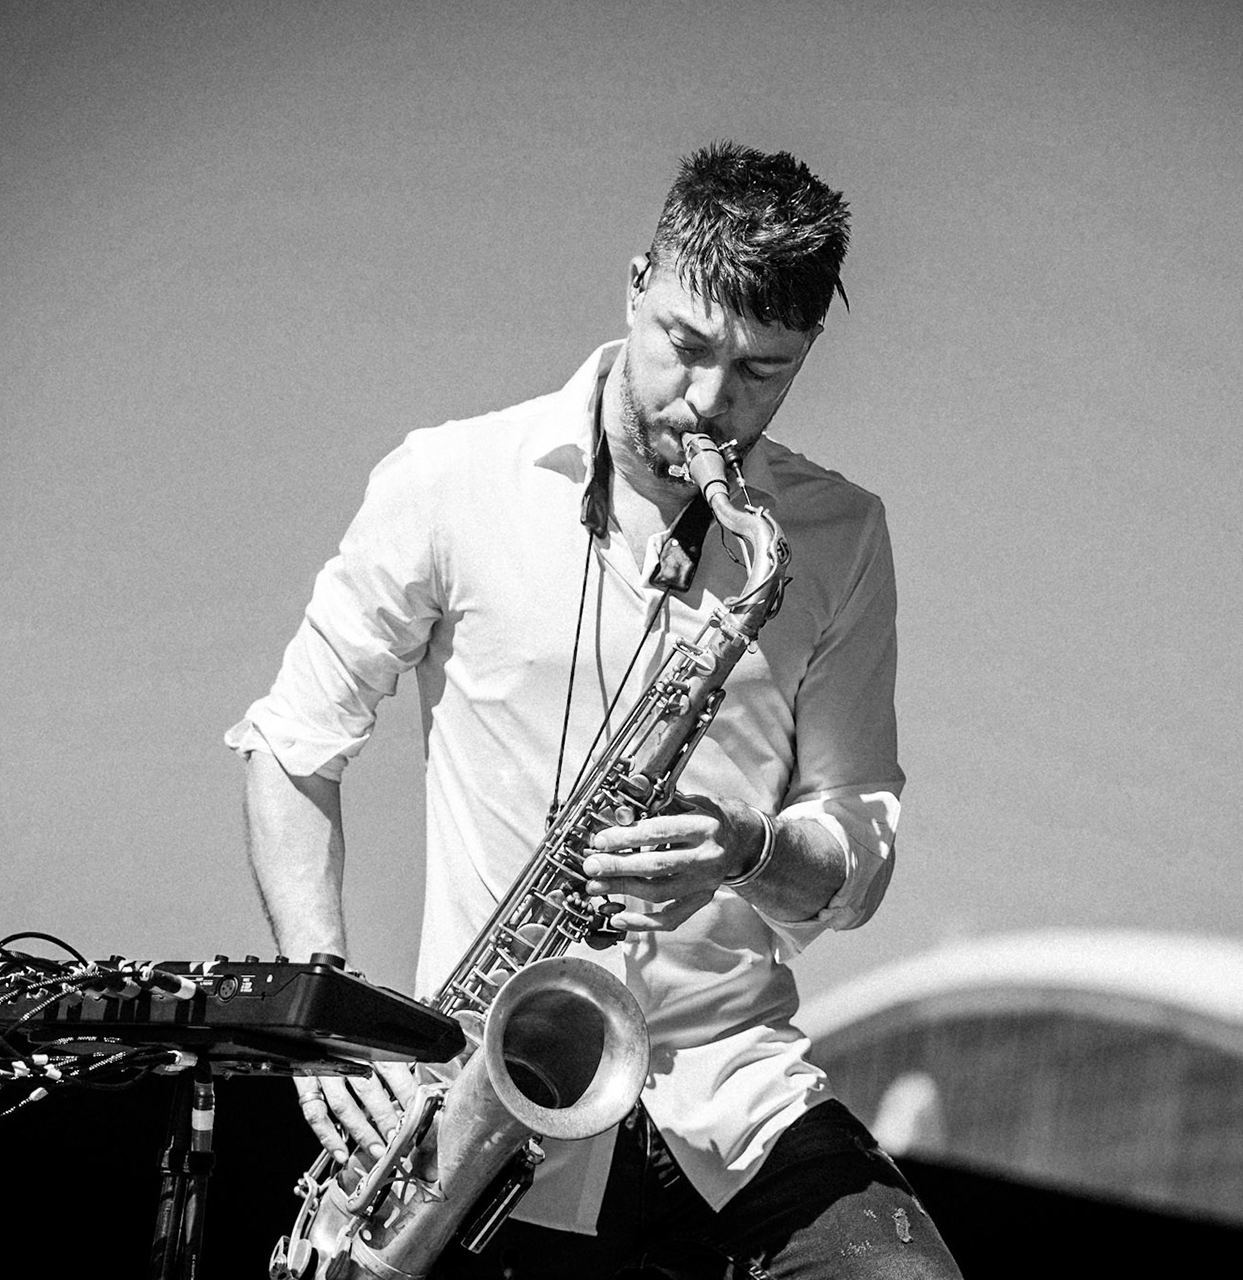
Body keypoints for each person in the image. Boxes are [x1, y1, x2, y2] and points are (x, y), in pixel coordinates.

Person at [228, 142, 961, 1279]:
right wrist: (329, 1025)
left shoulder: (836, 538)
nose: (714, 402)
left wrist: (748, 849)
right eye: (687, 343)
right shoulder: (448, 481)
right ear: (635, 283)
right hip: (486, 1096)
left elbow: (856, 841)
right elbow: (290, 746)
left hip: (730, 1090)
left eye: (764, 370)